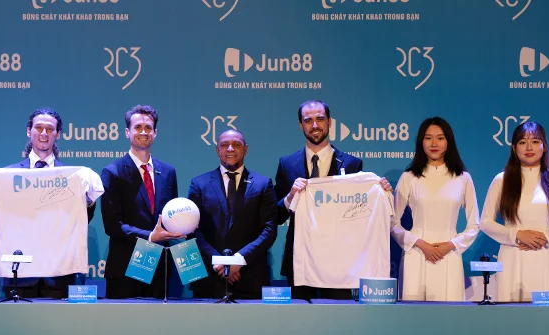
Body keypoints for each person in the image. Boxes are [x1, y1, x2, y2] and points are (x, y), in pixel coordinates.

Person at [0, 107, 96, 298]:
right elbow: (1, 222)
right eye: (38, 127)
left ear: (58, 134)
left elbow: (80, 220)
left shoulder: (73, 177)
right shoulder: (9, 175)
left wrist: (87, 200)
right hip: (20, 275)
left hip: (59, 274)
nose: (44, 133)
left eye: (50, 129)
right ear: (29, 131)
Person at [274, 99, 391, 300]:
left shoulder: (352, 164)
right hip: (300, 260)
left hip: (340, 262)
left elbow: (360, 213)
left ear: (329, 122)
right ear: (301, 125)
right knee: (299, 317)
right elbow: (276, 215)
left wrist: (381, 191)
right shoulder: (287, 164)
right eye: (308, 120)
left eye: (320, 119)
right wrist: (290, 197)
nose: (315, 125)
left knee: (339, 316)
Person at [481, 121, 549, 302]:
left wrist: (548, 237)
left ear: (544, 146)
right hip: (512, 257)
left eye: (535, 141)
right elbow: (485, 222)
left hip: (546, 256)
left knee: (547, 317)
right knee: (511, 315)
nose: (529, 147)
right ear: (514, 148)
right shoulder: (501, 180)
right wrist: (517, 234)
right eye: (522, 142)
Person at [391, 117, 480, 301]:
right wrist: (419, 243)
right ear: (421, 142)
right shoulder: (409, 177)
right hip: (416, 254)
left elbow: (474, 225)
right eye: (428, 138)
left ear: (448, 142)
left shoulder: (463, 178)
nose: (434, 143)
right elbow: (392, 222)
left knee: (450, 314)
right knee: (414, 314)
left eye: (440, 138)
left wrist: (451, 245)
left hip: (449, 254)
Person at [101, 105, 181, 298]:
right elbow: (112, 225)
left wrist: (183, 225)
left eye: (148, 128)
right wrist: (150, 236)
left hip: (159, 270)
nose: (143, 132)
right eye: (137, 127)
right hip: (125, 269)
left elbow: (171, 215)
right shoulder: (112, 172)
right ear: (127, 132)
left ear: (155, 133)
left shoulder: (168, 172)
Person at [187, 129, 277, 299]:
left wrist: (239, 260)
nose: (230, 149)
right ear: (217, 150)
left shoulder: (263, 184)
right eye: (224, 145)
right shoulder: (199, 184)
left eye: (236, 144)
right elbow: (192, 230)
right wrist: (219, 262)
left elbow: (269, 230)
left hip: (250, 277)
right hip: (210, 278)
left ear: (245, 149)